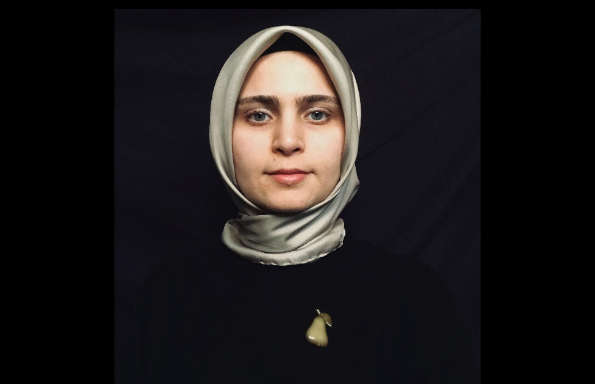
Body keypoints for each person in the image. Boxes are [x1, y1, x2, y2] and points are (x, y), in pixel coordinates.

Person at [137, 26, 478, 383]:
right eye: (258, 115)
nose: (287, 141)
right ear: (222, 132)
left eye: (317, 114)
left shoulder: (415, 299)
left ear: (350, 133)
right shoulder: (171, 295)